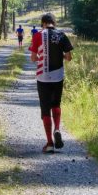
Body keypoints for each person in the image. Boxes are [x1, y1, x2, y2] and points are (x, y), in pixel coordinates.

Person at [28, 13, 73, 153]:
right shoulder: (61, 35)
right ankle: (57, 128)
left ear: (43, 23)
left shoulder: (37, 35)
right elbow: (69, 57)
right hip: (58, 75)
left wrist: (42, 55)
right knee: (56, 104)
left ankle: (49, 143)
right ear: (54, 23)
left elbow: (33, 58)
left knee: (45, 108)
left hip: (43, 77)